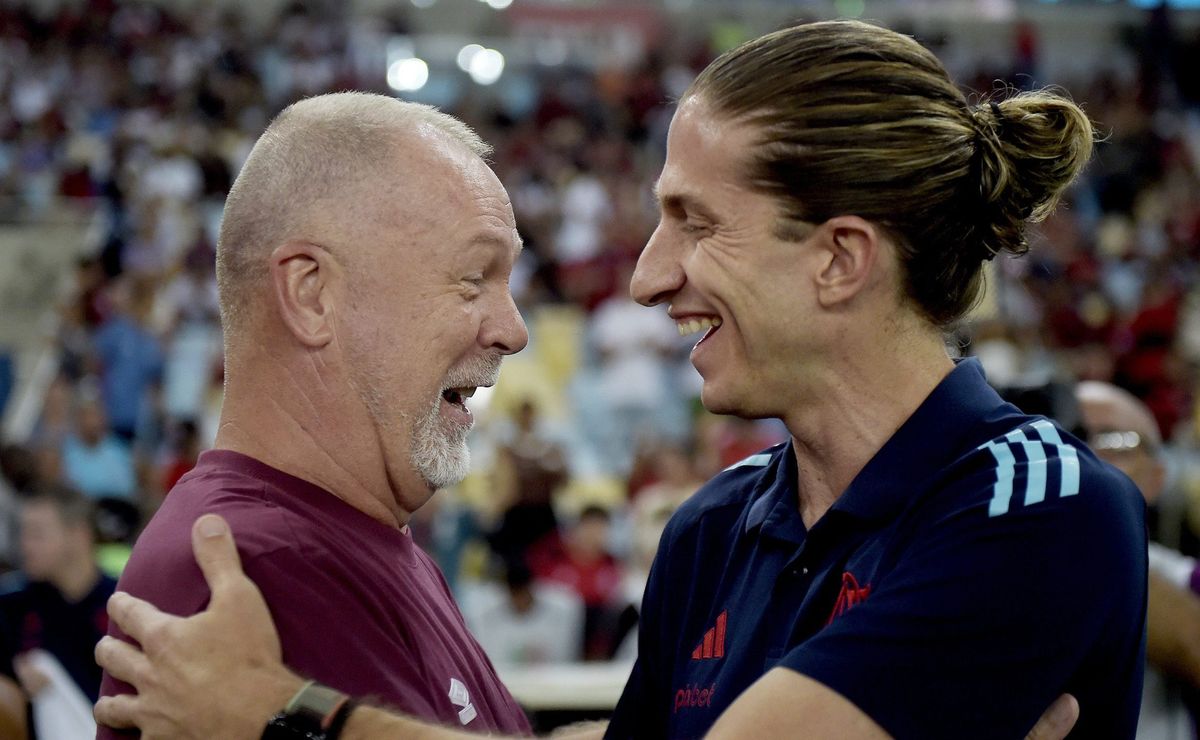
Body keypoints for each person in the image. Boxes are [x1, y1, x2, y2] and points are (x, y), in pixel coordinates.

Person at [95, 20, 1136, 740]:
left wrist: (287, 713)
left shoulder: (1038, 506)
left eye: (695, 220)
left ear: (839, 258)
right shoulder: (713, 528)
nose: (646, 274)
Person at [95, 91, 532, 736]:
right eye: (473, 279)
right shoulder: (253, 566)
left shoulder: (354, 536)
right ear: (310, 294)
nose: (512, 330)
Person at [1075, 380, 1200, 740]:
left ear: (1157, 478)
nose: (1084, 454)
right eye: (1067, 434)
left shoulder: (1186, 581)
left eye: (1112, 440)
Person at [0, 484, 116, 739]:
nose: (25, 545)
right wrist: (13, 674)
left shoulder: (121, 604)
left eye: (37, 534)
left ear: (78, 535)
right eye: (23, 533)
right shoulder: (13, 604)